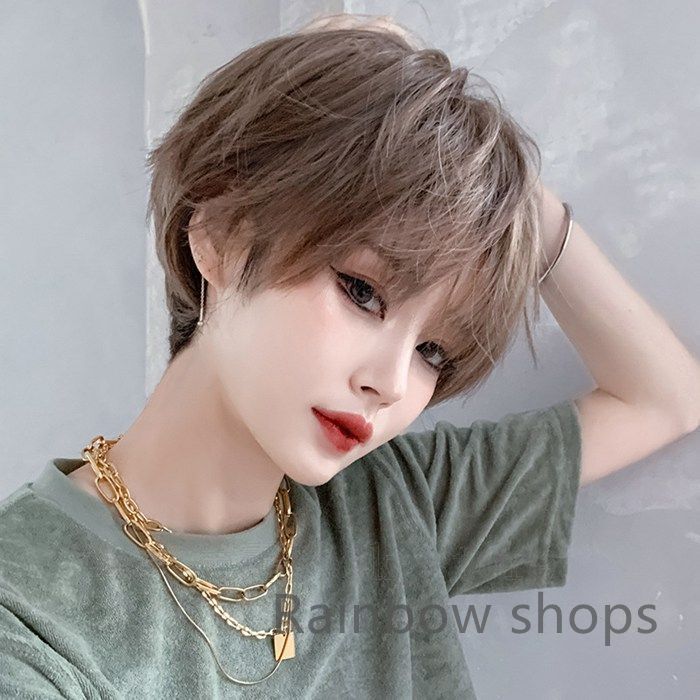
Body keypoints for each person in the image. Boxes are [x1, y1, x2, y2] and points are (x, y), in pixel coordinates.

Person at [1, 12, 698, 699]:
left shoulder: (392, 504)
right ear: (220, 233)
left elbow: (664, 397)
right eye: (362, 291)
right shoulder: (29, 617)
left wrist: (497, 190)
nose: (390, 383)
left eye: (433, 351)